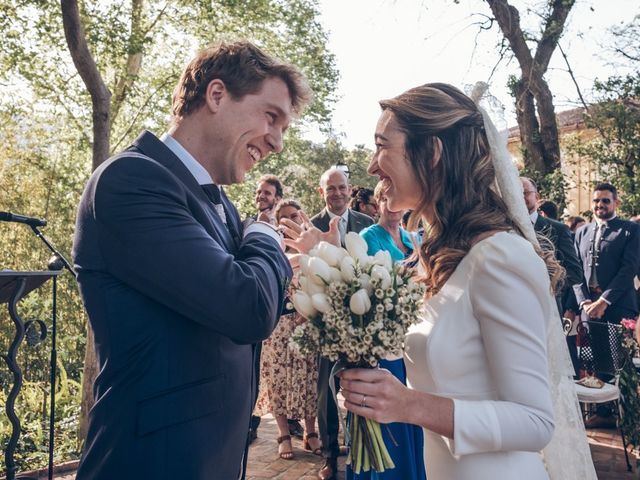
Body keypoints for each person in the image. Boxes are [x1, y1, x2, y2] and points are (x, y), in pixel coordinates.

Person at [71, 40, 311, 480]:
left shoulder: (222, 204)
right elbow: (249, 307)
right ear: (216, 96)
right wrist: (264, 231)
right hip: (151, 462)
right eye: (271, 117)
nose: (276, 141)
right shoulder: (130, 180)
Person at [335, 83, 596, 480]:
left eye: (382, 145)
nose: (372, 166)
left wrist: (407, 404)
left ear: (433, 153)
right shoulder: (439, 256)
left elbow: (535, 421)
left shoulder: (500, 258)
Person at [347, 183, 426, 480]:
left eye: (397, 202)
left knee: (412, 408)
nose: (392, 207)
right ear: (378, 203)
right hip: (383, 340)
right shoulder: (368, 237)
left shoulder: (414, 238)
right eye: (385, 200)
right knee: (387, 409)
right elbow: (363, 286)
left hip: (414, 336)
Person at [311, 167, 374, 480]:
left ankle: (362, 449)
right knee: (326, 389)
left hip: (362, 320)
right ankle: (329, 456)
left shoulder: (367, 225)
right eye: (330, 189)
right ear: (322, 192)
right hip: (326, 320)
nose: (337, 193)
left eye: (341, 188)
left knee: (362, 383)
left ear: (350, 190)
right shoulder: (311, 226)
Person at [254, 199, 322, 460]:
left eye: (295, 215)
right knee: (278, 380)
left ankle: (311, 432)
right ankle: (283, 434)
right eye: (284, 217)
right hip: (279, 325)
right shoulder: (273, 249)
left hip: (308, 325)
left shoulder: (314, 249)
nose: (290, 219)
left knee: (309, 379)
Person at [573, 182, 640, 428]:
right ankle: (604, 412)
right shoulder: (583, 232)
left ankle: (629, 417)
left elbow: (629, 268)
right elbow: (576, 269)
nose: (600, 205)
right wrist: (585, 301)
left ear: (615, 203)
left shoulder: (630, 230)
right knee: (599, 361)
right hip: (590, 307)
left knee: (622, 363)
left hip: (619, 305)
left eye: (605, 201)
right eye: (596, 201)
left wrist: (605, 300)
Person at [521, 177, 583, 375]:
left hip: (547, 311)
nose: (521, 198)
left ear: (536, 197)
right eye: (516, 193)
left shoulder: (558, 229)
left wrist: (544, 283)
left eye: (525, 193)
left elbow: (575, 273)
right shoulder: (502, 229)